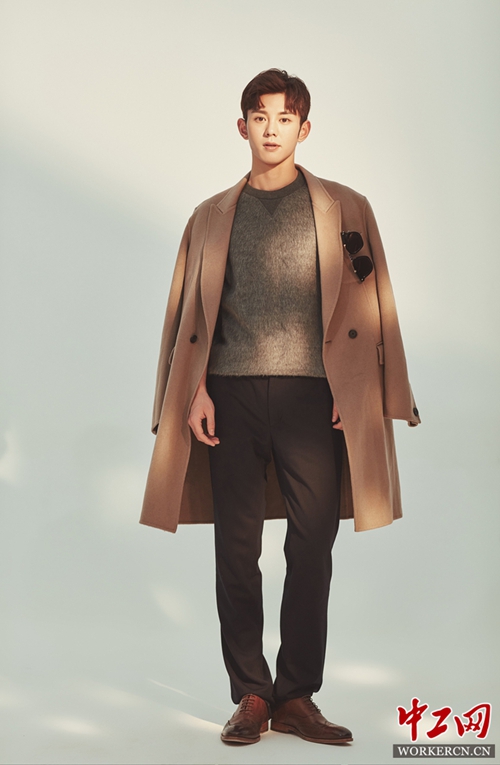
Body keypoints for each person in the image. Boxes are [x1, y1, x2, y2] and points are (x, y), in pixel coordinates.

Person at [140, 68, 420, 747]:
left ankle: (296, 694)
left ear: (305, 128)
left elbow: (373, 303)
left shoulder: (346, 208)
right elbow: (187, 315)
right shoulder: (210, 216)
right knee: (236, 548)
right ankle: (251, 693)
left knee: (312, 543)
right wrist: (193, 390)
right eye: (260, 117)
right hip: (229, 396)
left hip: (313, 397)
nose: (272, 129)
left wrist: (362, 392)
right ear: (242, 126)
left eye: (285, 118)